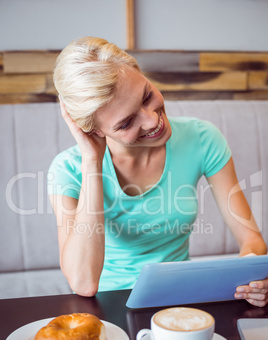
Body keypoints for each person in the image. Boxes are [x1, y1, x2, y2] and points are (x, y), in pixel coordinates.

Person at [48, 36, 267, 306]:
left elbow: (251, 239)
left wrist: (254, 278)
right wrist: (92, 161)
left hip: (179, 298)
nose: (153, 120)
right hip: (107, 305)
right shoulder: (67, 169)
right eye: (126, 122)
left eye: (147, 96)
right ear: (94, 131)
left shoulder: (202, 138)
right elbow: (83, 282)